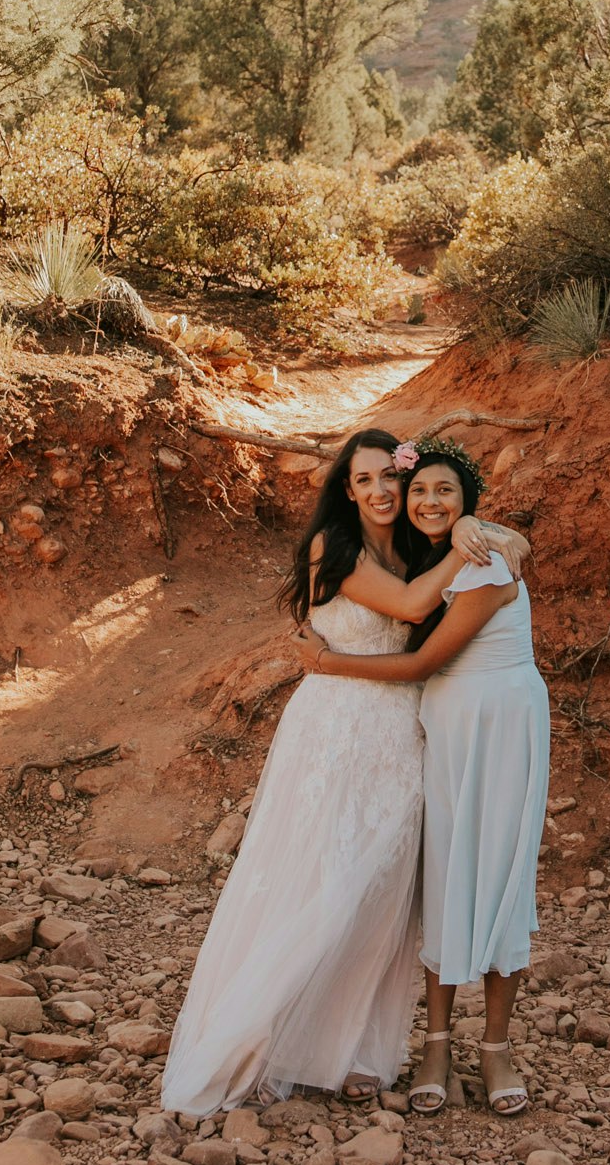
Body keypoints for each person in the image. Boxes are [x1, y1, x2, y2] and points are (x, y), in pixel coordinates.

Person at [160, 428, 524, 1115]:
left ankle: (349, 1050)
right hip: (337, 724)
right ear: (346, 491)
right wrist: (475, 535)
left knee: (383, 892)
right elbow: (416, 608)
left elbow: (453, 572)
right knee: (322, 881)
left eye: (392, 476)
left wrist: (471, 524)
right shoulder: (337, 545)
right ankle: (257, 1032)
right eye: (365, 481)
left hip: (401, 730)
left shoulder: (415, 543)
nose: (383, 490)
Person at [296, 434, 550, 1118]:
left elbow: (415, 663)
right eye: (420, 492)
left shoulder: (487, 562)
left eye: (447, 492)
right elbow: (394, 602)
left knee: (497, 877)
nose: (428, 502)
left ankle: (495, 1047)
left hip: (499, 729)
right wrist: (468, 524)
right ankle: (435, 1045)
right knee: (443, 877)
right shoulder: (429, 560)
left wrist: (326, 664)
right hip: (440, 729)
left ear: (470, 501)